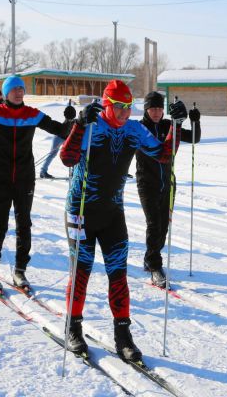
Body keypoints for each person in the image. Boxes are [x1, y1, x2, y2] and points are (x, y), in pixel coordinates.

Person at [59, 80, 188, 362]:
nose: (124, 113)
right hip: (81, 210)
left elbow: (163, 156)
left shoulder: (133, 129)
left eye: (128, 107)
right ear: (106, 104)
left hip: (111, 212)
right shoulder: (92, 125)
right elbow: (67, 158)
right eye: (119, 107)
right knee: (81, 272)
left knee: (118, 274)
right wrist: (79, 125)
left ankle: (123, 336)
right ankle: (73, 327)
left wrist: (176, 127)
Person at [0, 75, 75, 290]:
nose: (18, 92)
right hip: (0, 176)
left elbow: (61, 131)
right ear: (6, 93)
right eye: (14, 89)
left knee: (24, 225)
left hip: (24, 177)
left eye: (21, 89)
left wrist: (70, 120)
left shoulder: (32, 114)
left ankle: (20, 271)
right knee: (0, 225)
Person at [136, 91, 201, 287]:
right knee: (154, 224)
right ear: (146, 109)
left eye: (159, 108)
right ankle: (155, 266)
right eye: (152, 108)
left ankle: (150, 257)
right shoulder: (140, 128)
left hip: (168, 183)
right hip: (147, 183)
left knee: (163, 226)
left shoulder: (167, 124)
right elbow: (157, 150)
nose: (156, 112)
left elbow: (194, 138)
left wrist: (195, 121)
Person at [39, 100, 77, 179]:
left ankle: (74, 173)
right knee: (52, 154)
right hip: (59, 138)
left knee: (72, 154)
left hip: (66, 139)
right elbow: (66, 130)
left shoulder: (74, 122)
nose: (70, 118)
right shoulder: (68, 121)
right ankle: (43, 171)